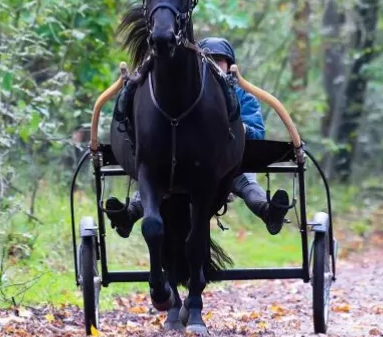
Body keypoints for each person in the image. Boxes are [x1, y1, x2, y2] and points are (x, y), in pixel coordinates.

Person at [104, 37, 292, 236]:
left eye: (219, 61)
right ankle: (128, 215)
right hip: (191, 167)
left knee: (246, 184)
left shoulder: (243, 95)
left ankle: (269, 212)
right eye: (208, 60)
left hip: (231, 164)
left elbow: (257, 133)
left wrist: (241, 128)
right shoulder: (189, 101)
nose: (213, 66)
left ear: (229, 66)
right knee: (152, 179)